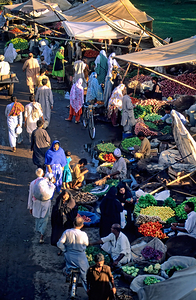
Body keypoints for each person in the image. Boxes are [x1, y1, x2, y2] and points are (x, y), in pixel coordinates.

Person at [57, 217, 89, 284]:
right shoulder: (83, 234)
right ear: (82, 225)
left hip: (69, 256)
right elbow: (86, 243)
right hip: (81, 257)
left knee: (68, 266)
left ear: (73, 223)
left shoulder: (67, 232)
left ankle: (67, 273)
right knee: (86, 272)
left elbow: (59, 243)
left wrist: (64, 250)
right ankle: (85, 283)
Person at [27, 168, 54, 243]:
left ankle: (38, 229)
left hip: (36, 202)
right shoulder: (46, 182)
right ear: (42, 174)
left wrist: (30, 206)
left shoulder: (33, 183)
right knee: (44, 218)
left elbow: (30, 195)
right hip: (46, 203)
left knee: (37, 217)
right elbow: (51, 190)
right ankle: (42, 235)